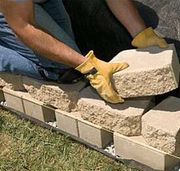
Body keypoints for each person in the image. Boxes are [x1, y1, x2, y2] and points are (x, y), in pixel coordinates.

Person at [0, 0, 168, 103]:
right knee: (61, 68)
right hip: (13, 11)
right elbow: (24, 27)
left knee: (67, 53)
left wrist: (141, 34)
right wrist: (88, 66)